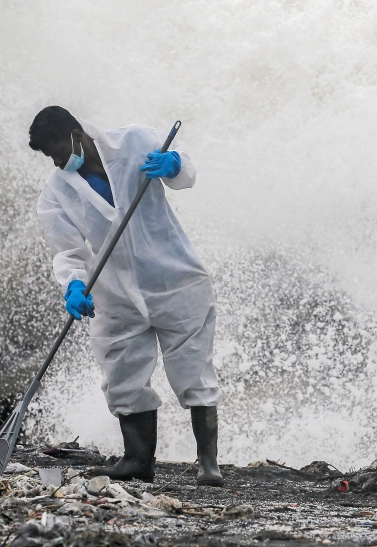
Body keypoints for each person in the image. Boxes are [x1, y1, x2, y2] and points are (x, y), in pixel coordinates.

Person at [27, 105, 223, 487]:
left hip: (175, 278)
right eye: (50, 157)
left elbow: (186, 170)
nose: (57, 161)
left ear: (76, 134)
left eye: (58, 151)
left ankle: (208, 464)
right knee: (122, 373)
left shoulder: (135, 141)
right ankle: (137, 461)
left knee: (193, 367)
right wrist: (72, 284)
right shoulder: (55, 193)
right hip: (115, 292)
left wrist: (172, 165)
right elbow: (66, 251)